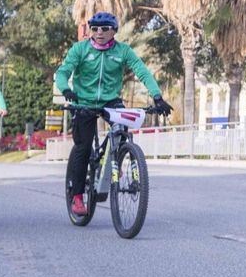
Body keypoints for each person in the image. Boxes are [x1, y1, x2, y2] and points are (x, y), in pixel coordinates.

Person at [53, 12, 171, 216]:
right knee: (83, 148)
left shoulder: (123, 51)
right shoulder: (80, 49)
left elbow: (142, 71)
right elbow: (63, 72)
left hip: (110, 101)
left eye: (105, 28)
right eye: (95, 29)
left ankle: (118, 156)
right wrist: (66, 90)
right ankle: (78, 197)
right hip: (84, 102)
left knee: (122, 129)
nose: (99, 32)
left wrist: (157, 97)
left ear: (114, 31)